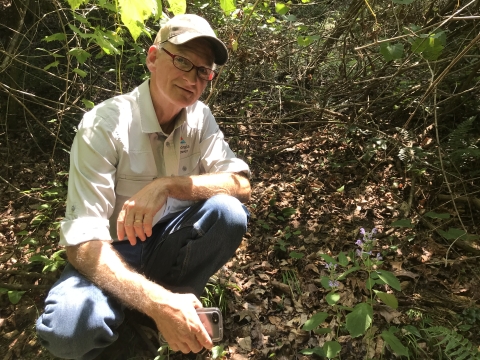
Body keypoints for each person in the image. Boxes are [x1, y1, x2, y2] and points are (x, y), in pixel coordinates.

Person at [36, 14, 251, 360]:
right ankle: (149, 313)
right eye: (183, 60)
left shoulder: (200, 118)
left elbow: (241, 184)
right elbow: (82, 246)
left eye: (203, 71)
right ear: (153, 57)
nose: (192, 78)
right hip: (108, 254)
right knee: (68, 331)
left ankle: (154, 315)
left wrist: (169, 186)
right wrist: (157, 301)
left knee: (228, 212)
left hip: (166, 244)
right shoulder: (105, 125)